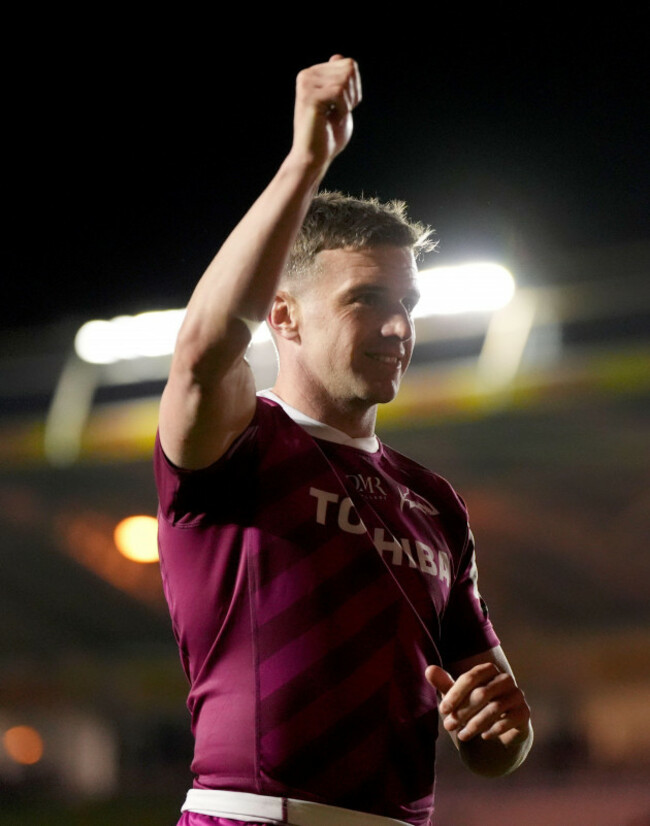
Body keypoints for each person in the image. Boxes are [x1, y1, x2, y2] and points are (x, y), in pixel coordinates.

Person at [154, 55, 533, 826]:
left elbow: (496, 740)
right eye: (367, 300)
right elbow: (202, 348)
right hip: (252, 817)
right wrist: (306, 161)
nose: (399, 327)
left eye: (408, 303)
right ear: (285, 317)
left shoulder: (434, 501)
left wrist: (507, 732)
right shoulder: (239, 439)